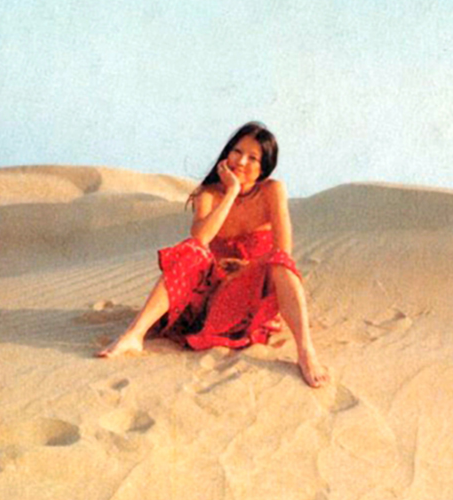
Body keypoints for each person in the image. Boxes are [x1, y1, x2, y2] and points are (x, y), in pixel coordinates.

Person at [97, 122, 329, 388]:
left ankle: (306, 352)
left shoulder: (272, 190)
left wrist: (246, 268)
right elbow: (201, 238)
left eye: (253, 158)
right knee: (192, 250)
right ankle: (134, 335)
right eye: (237, 151)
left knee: (281, 262)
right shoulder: (208, 194)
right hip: (209, 298)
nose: (241, 161)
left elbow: (283, 249)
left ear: (264, 167)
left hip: (248, 295)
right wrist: (231, 192)